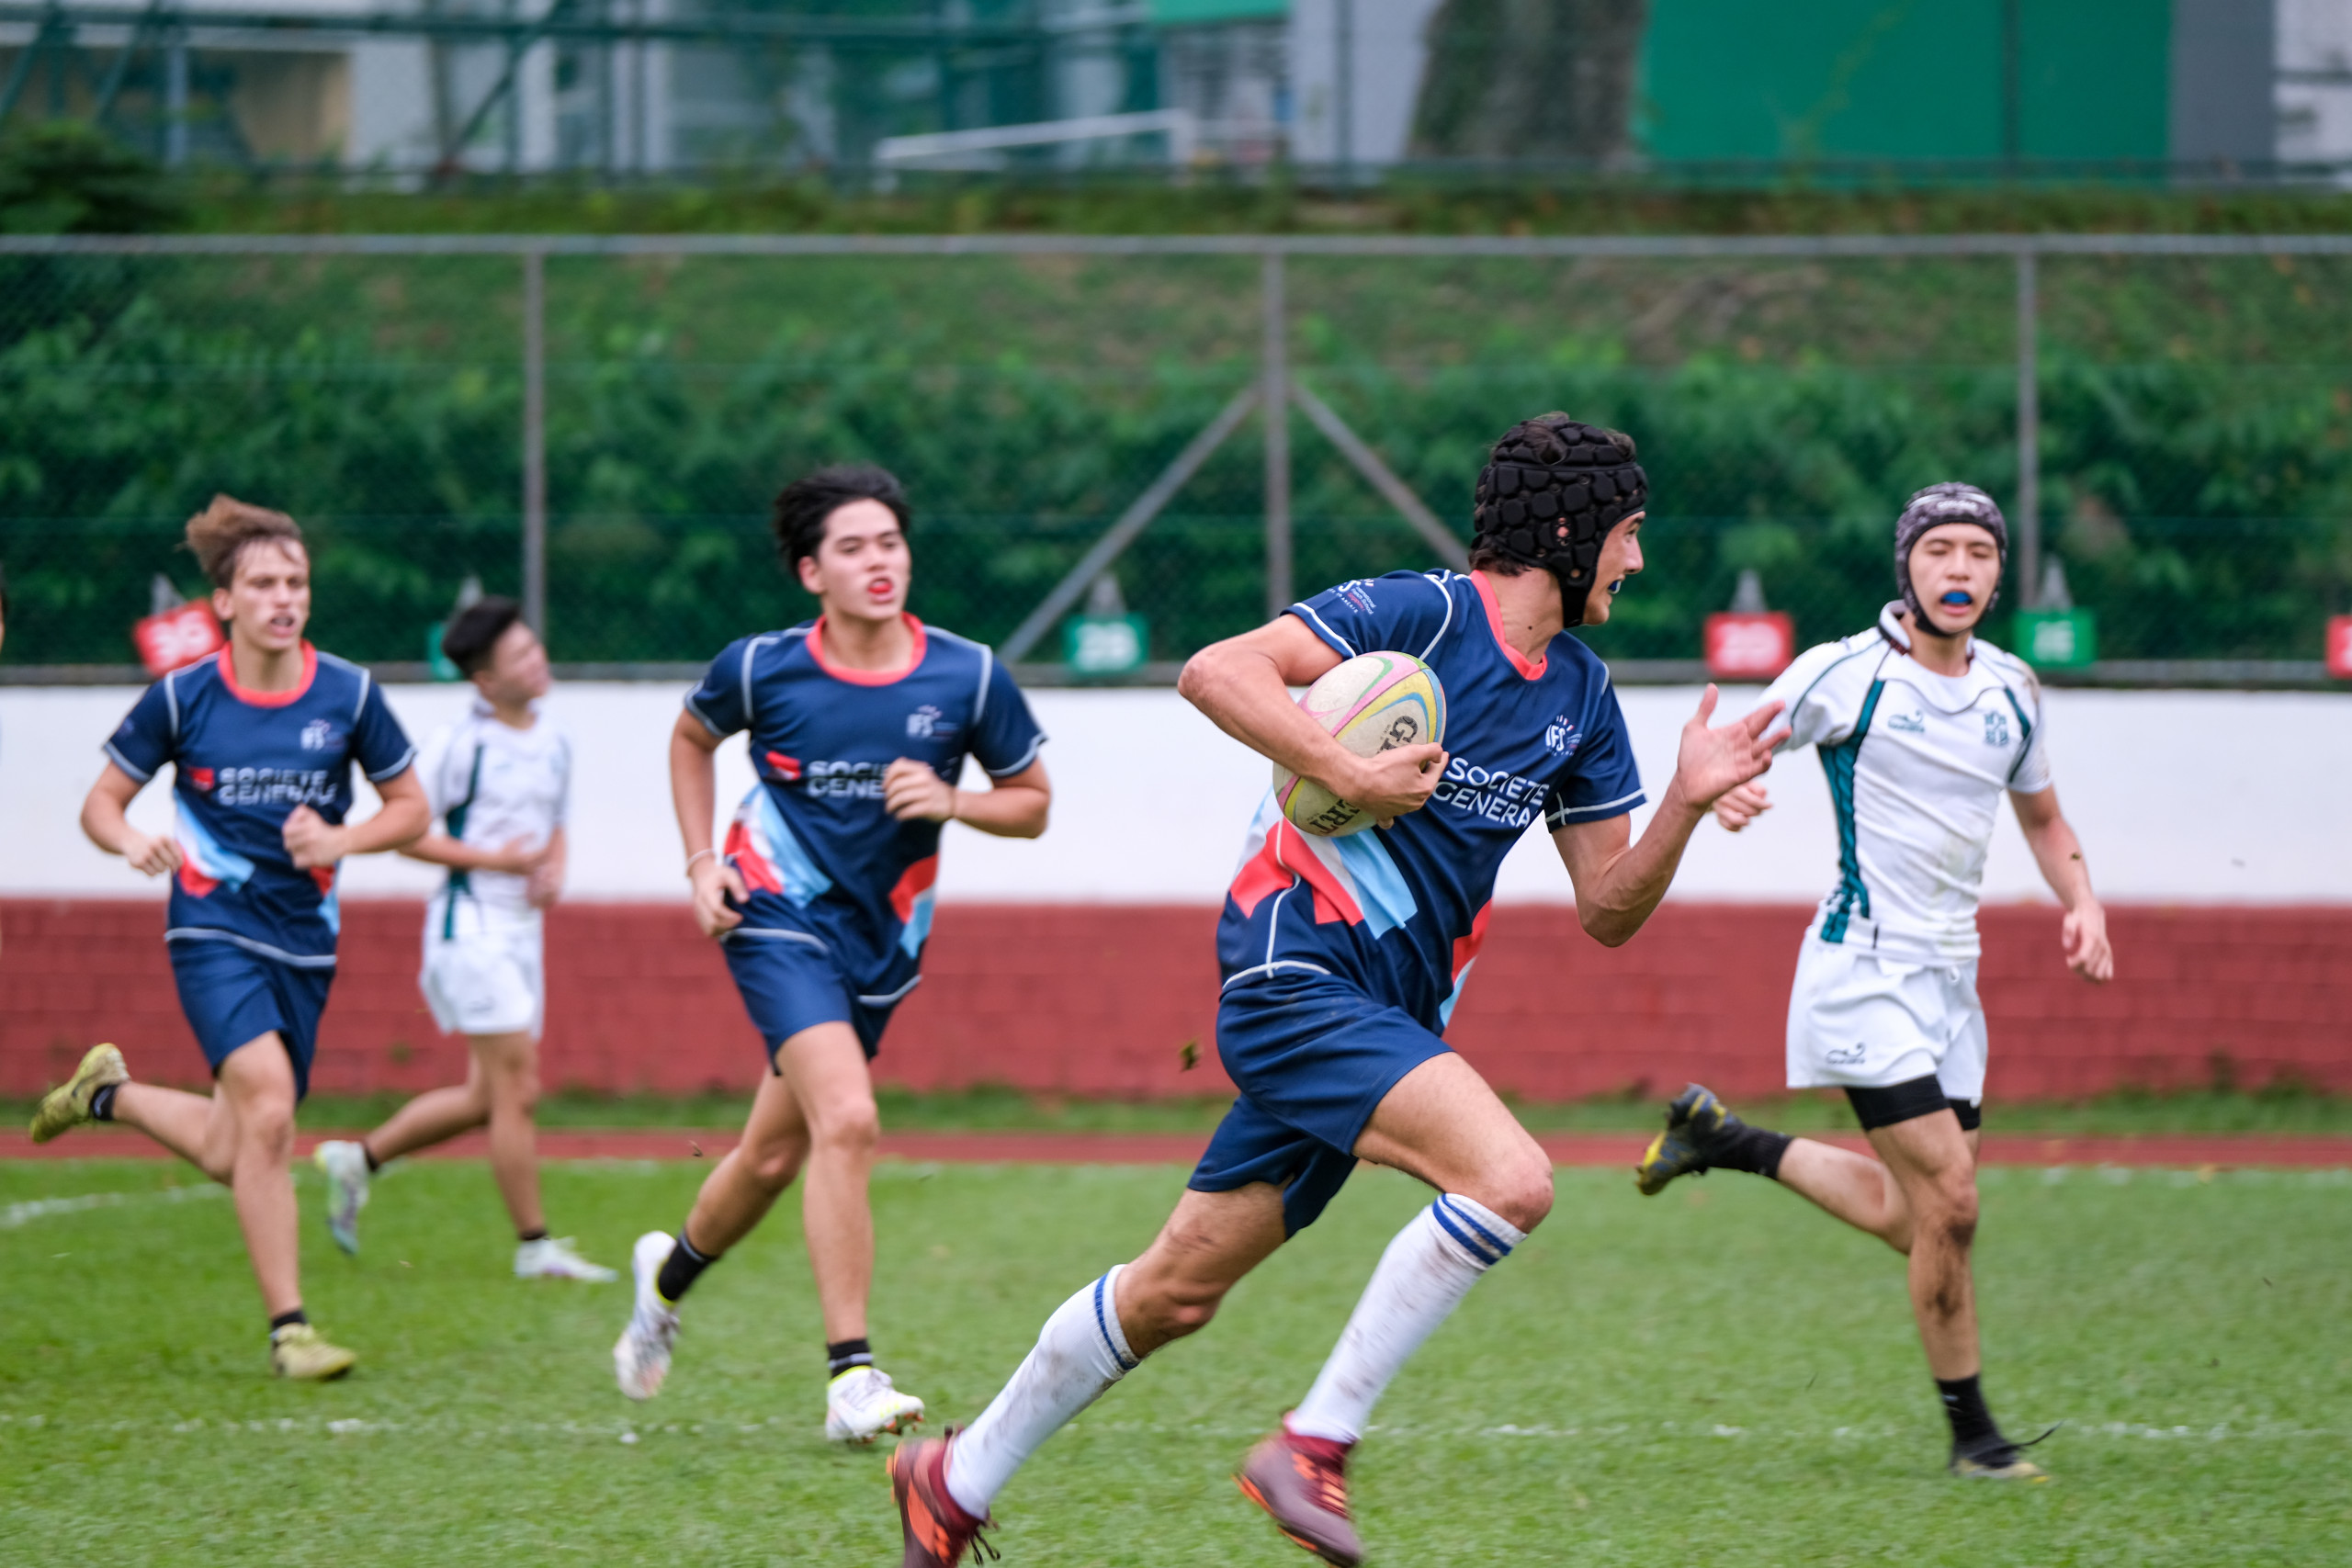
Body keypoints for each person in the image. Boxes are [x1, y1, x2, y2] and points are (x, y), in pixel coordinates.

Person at [885, 415, 1786, 1568]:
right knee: (1509, 1179)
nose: (1637, 562)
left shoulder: (1584, 698)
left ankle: (950, 1484)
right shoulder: (1422, 615)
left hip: (1384, 1023)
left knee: (1173, 1290)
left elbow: (1607, 908)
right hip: (1292, 972)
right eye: (1627, 536)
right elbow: (1217, 671)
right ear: (1567, 532)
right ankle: (1312, 1446)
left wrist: (1687, 803)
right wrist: (1351, 771)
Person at [1635, 481, 2113, 1482]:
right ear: (1907, 565)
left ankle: (1724, 1139)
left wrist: (2082, 900)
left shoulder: (2012, 691)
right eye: (1938, 550)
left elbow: (2044, 822)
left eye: (1978, 554)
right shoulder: (1845, 673)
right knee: (1953, 1202)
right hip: (1859, 969)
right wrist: (1725, 791)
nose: (1958, 570)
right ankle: (1975, 1441)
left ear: (1998, 571)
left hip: (1951, 983)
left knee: (1920, 1217)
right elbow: (1732, 751)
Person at [611, 464, 1051, 1445]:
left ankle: (665, 1281)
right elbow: (690, 741)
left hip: (882, 945)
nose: (877, 561)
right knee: (847, 1119)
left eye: (888, 542)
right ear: (813, 572)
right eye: (852, 548)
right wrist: (697, 865)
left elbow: (1033, 805)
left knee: (772, 1156)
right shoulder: (762, 668)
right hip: (769, 910)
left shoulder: (967, 675)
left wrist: (954, 802)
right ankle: (851, 1378)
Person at [33, 496, 428, 1380]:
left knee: (236, 1142)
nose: (284, 598)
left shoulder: (352, 693)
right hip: (210, 925)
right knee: (272, 1109)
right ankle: (291, 1330)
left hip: (307, 940)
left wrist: (340, 838)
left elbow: (411, 810)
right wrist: (133, 838)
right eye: (263, 583)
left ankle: (110, 1095)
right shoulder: (182, 696)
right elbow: (101, 802)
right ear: (224, 601)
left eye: (297, 582)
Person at [311, 597, 613, 1282]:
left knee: (487, 1097)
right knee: (520, 1090)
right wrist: (494, 862)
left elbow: (554, 823)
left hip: (521, 931)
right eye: (519, 658)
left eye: (534, 647)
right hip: (468, 930)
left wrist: (552, 868)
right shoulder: (460, 744)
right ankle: (534, 1244)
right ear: (484, 680)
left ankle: (358, 1160)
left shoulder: (556, 738)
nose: (537, 660)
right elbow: (407, 833)